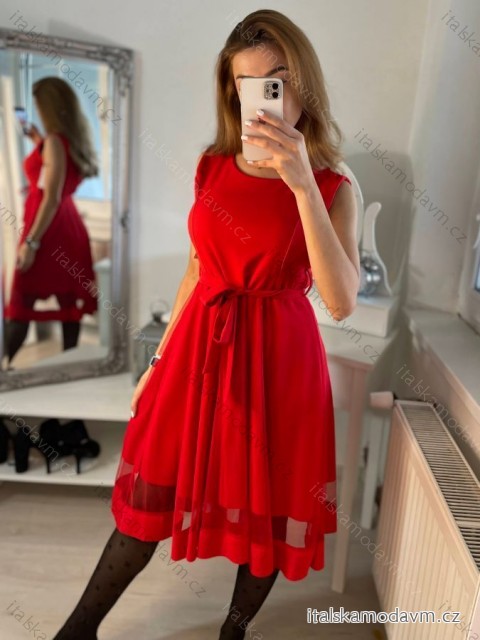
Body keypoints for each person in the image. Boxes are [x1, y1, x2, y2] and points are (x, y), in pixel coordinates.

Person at [53, 8, 360, 640]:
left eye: (277, 80)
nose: (264, 98)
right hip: (199, 349)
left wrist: (302, 186)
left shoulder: (332, 185)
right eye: (248, 85)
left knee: (267, 507)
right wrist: (157, 363)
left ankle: (233, 632)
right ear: (233, 93)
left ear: (303, 82)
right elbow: (196, 271)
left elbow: (341, 301)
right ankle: (77, 631)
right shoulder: (210, 167)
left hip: (279, 361)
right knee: (146, 502)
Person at [3, 76, 99, 366]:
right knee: (67, 305)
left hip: (49, 229)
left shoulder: (55, 142)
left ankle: (4, 373)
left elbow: (51, 197)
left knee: (21, 303)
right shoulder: (62, 141)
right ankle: (68, 368)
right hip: (65, 227)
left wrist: (32, 243)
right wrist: (36, 140)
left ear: (49, 107)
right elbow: (55, 179)